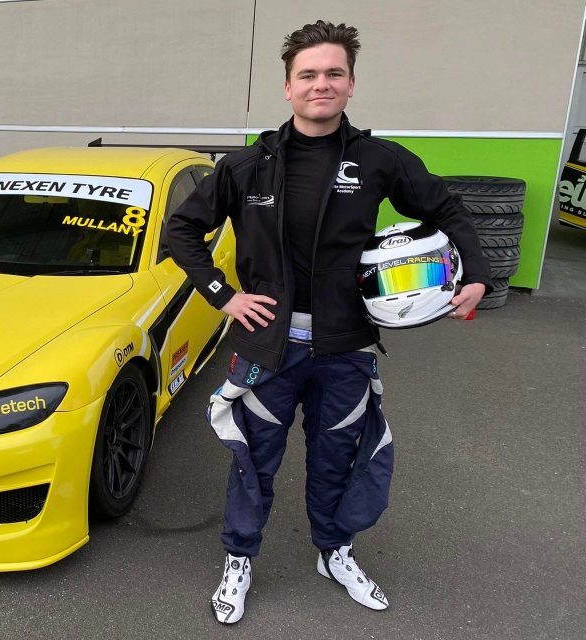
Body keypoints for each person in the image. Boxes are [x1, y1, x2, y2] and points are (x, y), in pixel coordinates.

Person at [167, 20, 490, 625]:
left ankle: (334, 550)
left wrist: (475, 272)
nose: (322, 84)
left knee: (337, 458)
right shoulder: (247, 166)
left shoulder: (379, 161)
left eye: (333, 73)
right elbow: (181, 230)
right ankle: (239, 558)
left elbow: (445, 206)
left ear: (350, 85)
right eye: (308, 75)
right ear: (287, 88)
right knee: (252, 457)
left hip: (346, 348)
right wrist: (224, 296)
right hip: (267, 348)